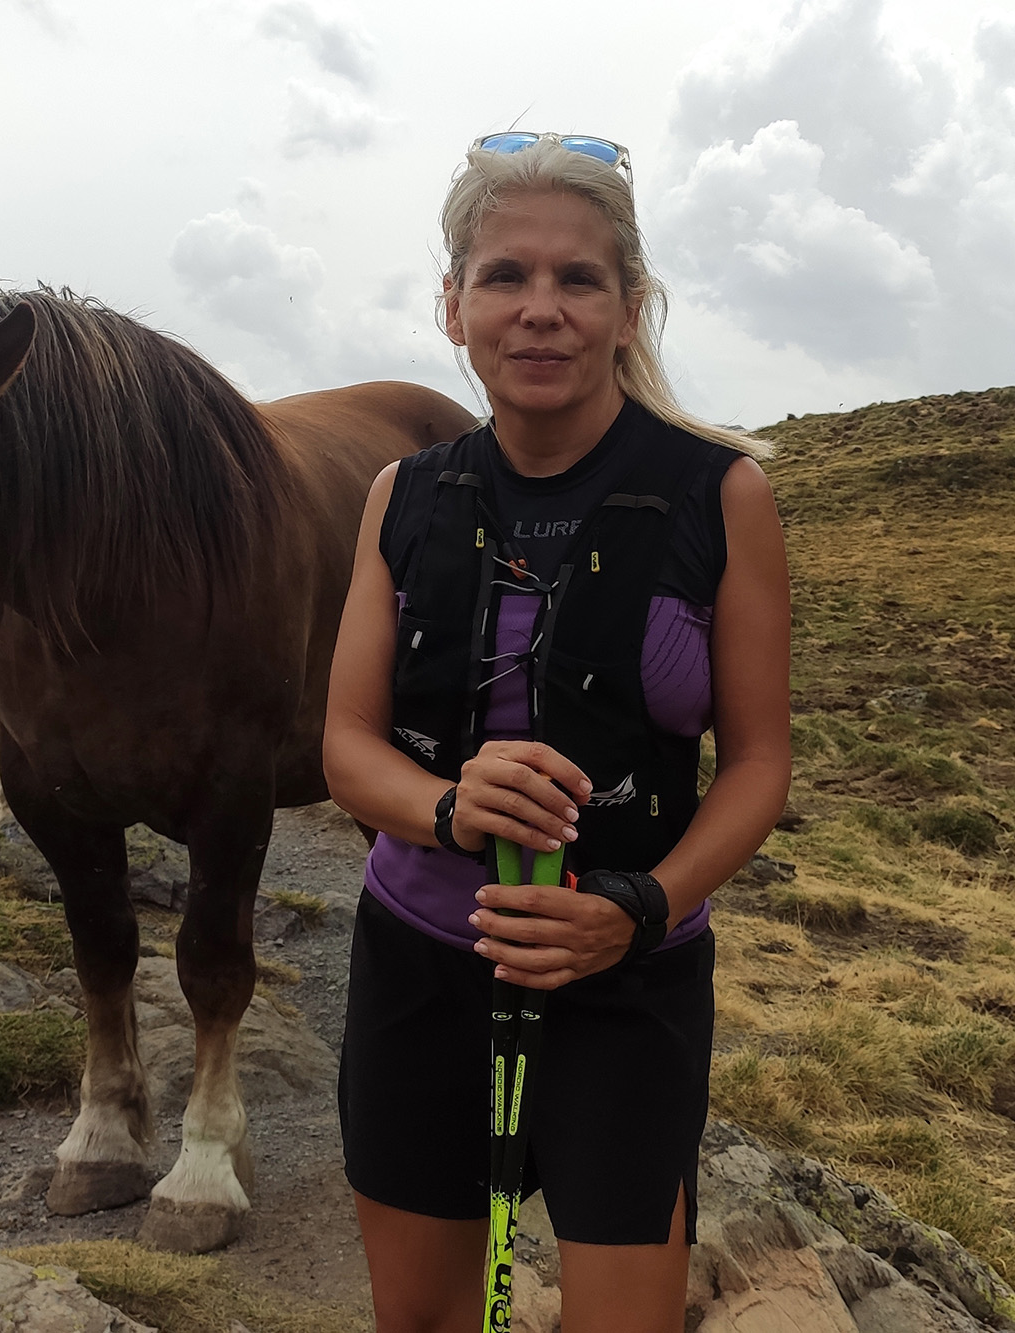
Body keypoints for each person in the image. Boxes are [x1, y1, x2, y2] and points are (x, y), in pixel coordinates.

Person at [323, 131, 792, 1333]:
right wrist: (443, 805)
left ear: (630, 307)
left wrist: (631, 911)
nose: (541, 311)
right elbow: (346, 744)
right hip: (420, 969)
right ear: (452, 304)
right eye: (504, 277)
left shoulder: (719, 494)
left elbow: (755, 765)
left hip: (627, 979)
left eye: (577, 279)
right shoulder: (404, 498)